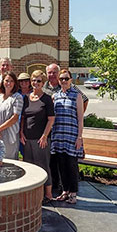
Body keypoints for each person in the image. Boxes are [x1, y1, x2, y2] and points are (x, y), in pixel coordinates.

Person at [43, 63, 88, 191]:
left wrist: (74, 120)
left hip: (70, 133)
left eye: (54, 72)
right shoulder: (48, 89)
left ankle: (71, 191)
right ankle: (59, 188)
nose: (52, 75)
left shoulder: (74, 91)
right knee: (56, 162)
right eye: (49, 72)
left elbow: (84, 102)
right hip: (56, 133)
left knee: (71, 164)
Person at [20, 70, 55, 204]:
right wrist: (21, 133)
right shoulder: (26, 98)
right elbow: (23, 117)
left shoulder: (47, 99)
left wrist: (45, 136)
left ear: (43, 82)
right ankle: (34, 194)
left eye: (39, 81)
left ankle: (48, 195)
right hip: (27, 139)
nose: (36, 83)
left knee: (43, 166)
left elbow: (51, 119)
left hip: (41, 139)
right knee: (30, 166)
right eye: (34, 80)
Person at [51, 69, 84, 204]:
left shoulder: (77, 96)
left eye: (66, 78)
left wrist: (80, 137)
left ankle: (73, 193)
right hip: (58, 135)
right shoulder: (55, 96)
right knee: (61, 166)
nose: (64, 81)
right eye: (61, 79)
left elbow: (80, 118)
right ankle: (65, 191)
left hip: (71, 136)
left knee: (71, 165)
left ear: (71, 80)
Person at [0, 71, 23, 160]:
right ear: (3, 82)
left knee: (9, 161)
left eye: (11, 81)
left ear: (15, 83)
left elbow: (15, 117)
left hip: (9, 135)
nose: (9, 83)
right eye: (6, 80)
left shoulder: (17, 97)